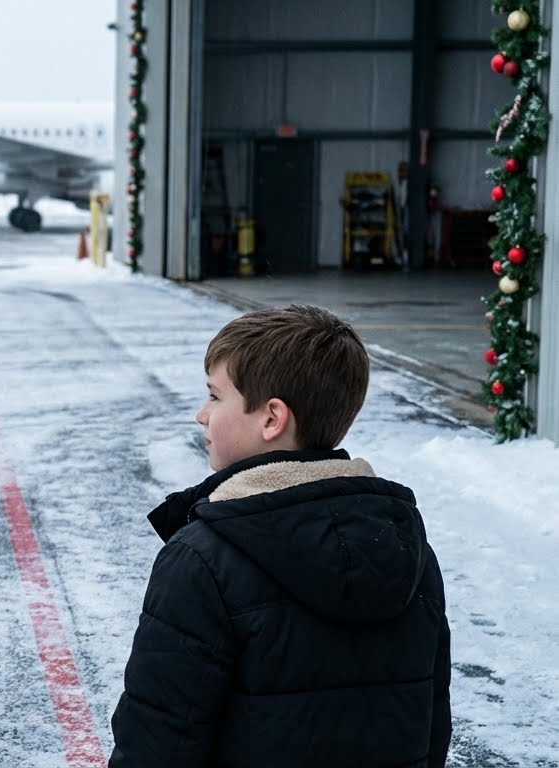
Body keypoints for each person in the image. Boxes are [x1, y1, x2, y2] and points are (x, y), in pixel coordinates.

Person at [109, 305, 451, 767]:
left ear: (272, 419)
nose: (200, 414)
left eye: (214, 396)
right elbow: (431, 724)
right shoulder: (405, 548)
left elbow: (159, 739)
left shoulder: (203, 560)